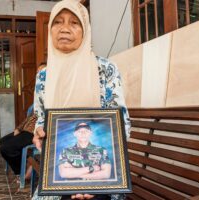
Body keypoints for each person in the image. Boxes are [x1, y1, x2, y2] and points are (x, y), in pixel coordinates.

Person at [32, 0, 130, 199]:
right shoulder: (43, 77)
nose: (65, 29)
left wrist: (90, 180)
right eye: (58, 22)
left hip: (103, 180)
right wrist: (38, 133)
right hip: (57, 177)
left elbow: (121, 125)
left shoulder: (105, 69)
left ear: (85, 31)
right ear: (50, 29)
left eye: (74, 23)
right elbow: (41, 119)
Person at [0, 106, 37, 177]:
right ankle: (27, 160)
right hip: (24, 131)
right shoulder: (35, 106)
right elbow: (27, 119)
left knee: (6, 148)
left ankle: (20, 171)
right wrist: (18, 128)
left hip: (33, 134)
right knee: (2, 141)